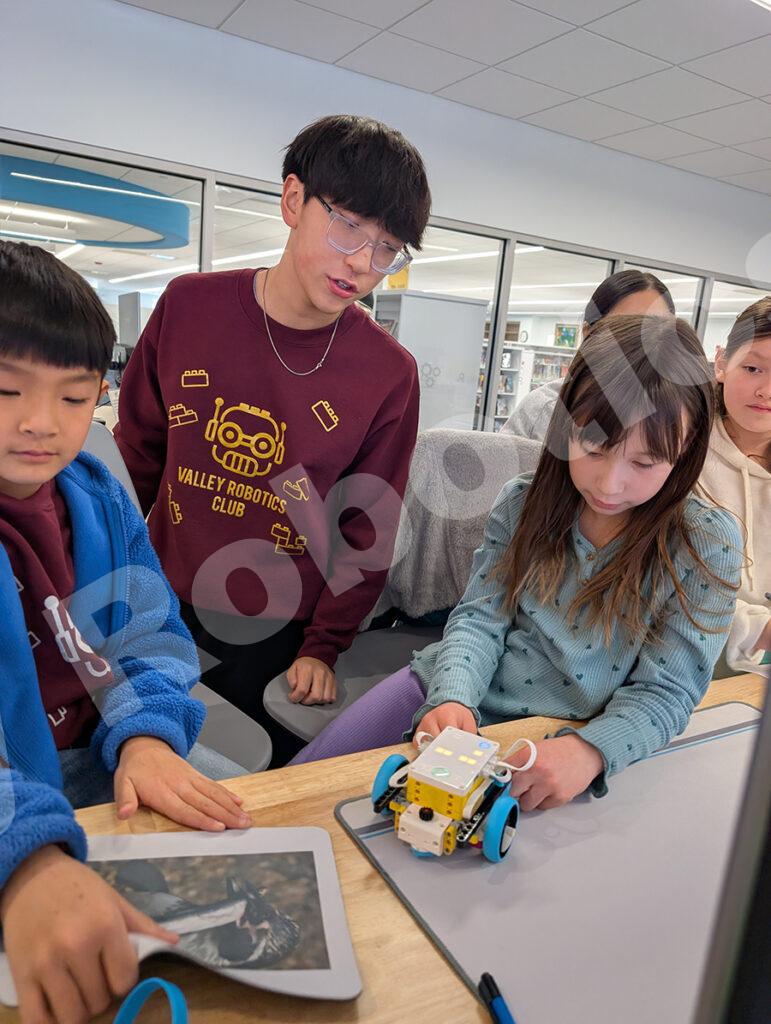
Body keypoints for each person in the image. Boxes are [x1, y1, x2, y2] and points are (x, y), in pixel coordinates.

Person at [292, 315, 742, 812]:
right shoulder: (523, 502)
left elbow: (668, 691)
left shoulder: (706, 543)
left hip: (564, 740)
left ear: (686, 451)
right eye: (594, 448)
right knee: (300, 787)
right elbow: (480, 618)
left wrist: (590, 752)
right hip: (448, 685)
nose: (609, 484)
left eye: (644, 463)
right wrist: (452, 697)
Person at [114, 114, 430, 763]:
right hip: (157, 601)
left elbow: (366, 530)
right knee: (134, 763)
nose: (362, 263)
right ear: (293, 200)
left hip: (279, 632)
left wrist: (324, 645)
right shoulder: (189, 307)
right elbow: (134, 456)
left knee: (247, 781)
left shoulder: (387, 373)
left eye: (387, 248)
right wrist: (103, 578)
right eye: (347, 226)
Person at [0, 242, 250, 1024]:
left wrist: (143, 735)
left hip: (104, 754)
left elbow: (151, 639)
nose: (41, 423)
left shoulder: (98, 498)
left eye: (75, 397)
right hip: (12, 792)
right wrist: (23, 860)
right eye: (5, 389)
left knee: (248, 866)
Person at [501, 269, 675, 440]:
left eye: (657, 327)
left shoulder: (679, 416)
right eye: (624, 329)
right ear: (589, 333)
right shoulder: (545, 410)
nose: (643, 343)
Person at [700, 297, 771, 674]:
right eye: (753, 368)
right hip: (676, 666)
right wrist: (760, 628)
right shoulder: (675, 454)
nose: (766, 391)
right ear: (721, 363)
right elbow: (663, 582)